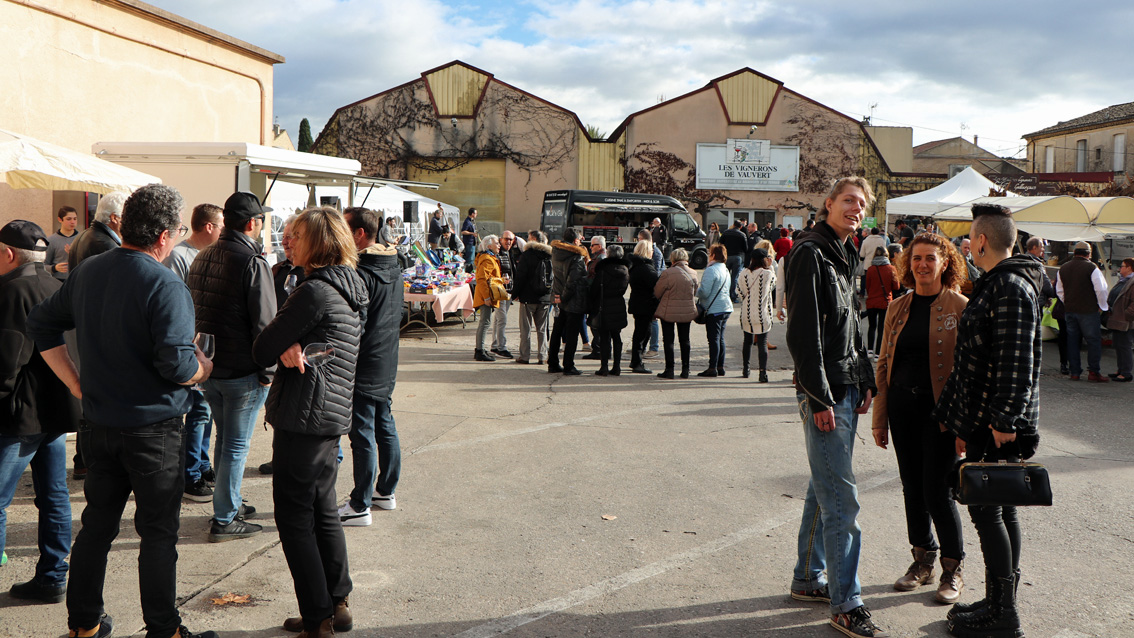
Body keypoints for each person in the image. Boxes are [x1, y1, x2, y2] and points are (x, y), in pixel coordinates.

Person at [27, 184, 217, 638]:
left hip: (101, 425)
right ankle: (163, 628)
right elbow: (177, 364)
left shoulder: (90, 270)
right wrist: (203, 368)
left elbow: (41, 323)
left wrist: (77, 383)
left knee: (96, 528)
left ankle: (84, 625)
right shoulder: (165, 282)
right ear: (165, 236)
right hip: (152, 430)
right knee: (156, 534)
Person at [252, 206, 366, 638]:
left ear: (317, 242)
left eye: (295, 235)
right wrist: (295, 339)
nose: (287, 240)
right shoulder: (349, 285)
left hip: (305, 415)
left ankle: (318, 617)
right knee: (322, 510)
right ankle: (336, 604)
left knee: (295, 517)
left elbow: (262, 349)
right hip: (328, 413)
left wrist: (287, 340)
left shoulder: (314, 291)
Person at [931, 203, 1042, 638]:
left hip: (997, 422)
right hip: (989, 418)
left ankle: (1003, 615)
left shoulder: (1010, 286)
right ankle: (1001, 601)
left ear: (980, 241)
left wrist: (1004, 421)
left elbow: (1015, 362)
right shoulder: (1001, 283)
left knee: (988, 512)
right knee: (1000, 508)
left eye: (969, 238)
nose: (967, 245)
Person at [785, 176, 884, 638]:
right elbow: (804, 334)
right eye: (848, 201)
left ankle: (808, 578)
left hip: (845, 384)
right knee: (842, 499)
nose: (856, 209)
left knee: (821, 488)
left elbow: (853, 325)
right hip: (824, 391)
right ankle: (846, 603)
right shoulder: (810, 252)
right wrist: (820, 396)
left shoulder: (846, 252)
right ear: (828, 204)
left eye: (862, 204)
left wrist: (864, 376)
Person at [872, 233, 969, 605]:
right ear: (907, 263)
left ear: (946, 263)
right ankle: (922, 560)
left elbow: (969, 373)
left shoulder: (960, 306)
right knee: (911, 487)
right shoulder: (898, 306)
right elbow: (883, 364)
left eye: (930, 258)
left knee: (937, 491)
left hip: (941, 414)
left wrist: (963, 425)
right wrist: (880, 419)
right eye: (916, 259)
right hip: (902, 409)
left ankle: (952, 566)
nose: (923, 265)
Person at [187, 192, 277, 542]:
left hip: (211, 366)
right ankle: (225, 516)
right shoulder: (252, 260)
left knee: (226, 440)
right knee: (234, 445)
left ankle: (230, 502)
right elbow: (265, 323)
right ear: (252, 223)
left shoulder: (204, 254)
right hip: (240, 368)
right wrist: (268, 372)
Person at [0, 220, 81, 604]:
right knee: (54, 495)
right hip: (55, 412)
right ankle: (52, 576)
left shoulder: (13, 290)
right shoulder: (54, 285)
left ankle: (52, 577)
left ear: (9, 254)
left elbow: (7, 363)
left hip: (21, 417)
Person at [337, 207, 403, 526]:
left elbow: (355, 324)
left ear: (360, 234)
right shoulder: (392, 264)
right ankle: (385, 492)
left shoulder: (362, 271)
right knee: (383, 424)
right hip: (386, 358)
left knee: (363, 432)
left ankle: (360, 503)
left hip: (366, 360)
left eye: (344, 228)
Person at [65, 190, 128, 481]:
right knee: (95, 395)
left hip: (84, 323)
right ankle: (87, 459)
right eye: (126, 215)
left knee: (90, 393)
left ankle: (83, 458)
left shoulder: (86, 236)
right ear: (115, 218)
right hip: (96, 326)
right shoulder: (103, 243)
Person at [162, 203, 223, 502]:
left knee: (206, 413)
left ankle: (202, 463)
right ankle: (191, 474)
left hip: (207, 348)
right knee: (198, 413)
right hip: (191, 348)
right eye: (221, 225)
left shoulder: (210, 254)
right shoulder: (179, 256)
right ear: (209, 226)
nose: (224, 230)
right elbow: (175, 307)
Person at [1058, 241, 1110, 382]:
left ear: (1074, 253)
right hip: (1088, 310)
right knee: (1093, 341)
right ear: (1089, 253)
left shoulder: (1063, 268)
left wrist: (1068, 302)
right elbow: (1101, 289)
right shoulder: (1091, 268)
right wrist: (1102, 305)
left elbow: (1060, 291)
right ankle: (1093, 372)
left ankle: (1074, 372)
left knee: (1073, 341)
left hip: (1070, 310)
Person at [547, 229, 589, 375]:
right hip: (572, 300)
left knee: (557, 331)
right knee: (571, 334)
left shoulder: (556, 252)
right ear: (575, 240)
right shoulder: (576, 257)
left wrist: (559, 297)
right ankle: (568, 365)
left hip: (558, 297)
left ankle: (552, 363)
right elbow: (572, 282)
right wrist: (564, 297)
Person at [653, 248, 698, 379]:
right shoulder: (693, 273)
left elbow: (657, 292)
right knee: (685, 340)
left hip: (668, 310)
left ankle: (669, 369)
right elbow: (694, 292)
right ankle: (685, 369)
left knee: (668, 340)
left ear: (673, 259)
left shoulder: (667, 273)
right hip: (686, 310)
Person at [511, 231, 553, 365]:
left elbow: (520, 276)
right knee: (542, 328)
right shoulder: (550, 255)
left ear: (533, 240)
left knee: (525, 328)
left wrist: (514, 294)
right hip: (545, 297)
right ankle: (542, 355)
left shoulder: (527, 255)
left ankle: (525, 356)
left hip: (528, 297)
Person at [589, 244, 630, 376]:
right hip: (618, 304)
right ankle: (617, 367)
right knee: (616, 336)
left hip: (604, 305)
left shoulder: (603, 270)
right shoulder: (625, 270)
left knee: (604, 338)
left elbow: (594, 289)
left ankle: (604, 367)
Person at [736, 247, 775, 381]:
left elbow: (739, 292)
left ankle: (746, 369)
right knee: (762, 343)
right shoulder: (767, 274)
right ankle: (762, 373)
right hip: (762, 313)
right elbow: (773, 285)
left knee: (747, 341)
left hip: (746, 313)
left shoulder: (743, 273)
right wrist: (771, 267)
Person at [695, 244, 733, 377]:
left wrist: (695, 290)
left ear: (713, 255)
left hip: (714, 308)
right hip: (725, 307)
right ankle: (720, 366)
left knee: (713, 339)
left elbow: (704, 292)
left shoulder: (711, 270)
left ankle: (712, 368)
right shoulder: (725, 269)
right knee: (720, 338)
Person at [67, 191, 127, 273]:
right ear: (114, 218)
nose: (129, 221)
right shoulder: (108, 246)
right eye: (127, 216)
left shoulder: (82, 235)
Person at [627, 240, 659, 374]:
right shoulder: (646, 268)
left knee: (641, 332)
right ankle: (637, 361)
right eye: (651, 249)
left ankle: (636, 360)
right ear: (646, 251)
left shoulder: (636, 265)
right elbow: (656, 285)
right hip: (645, 304)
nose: (653, 252)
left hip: (639, 303)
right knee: (643, 333)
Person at [490, 231, 522, 359]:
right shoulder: (498, 254)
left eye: (511, 240)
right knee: (501, 319)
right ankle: (501, 347)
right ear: (501, 239)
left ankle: (495, 345)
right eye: (506, 239)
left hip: (508, 292)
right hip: (500, 292)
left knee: (498, 320)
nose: (508, 241)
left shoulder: (510, 253)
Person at [864, 247, 900, 355]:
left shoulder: (871, 269)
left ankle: (870, 350)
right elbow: (896, 286)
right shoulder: (891, 268)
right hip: (885, 302)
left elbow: (867, 286)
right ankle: (878, 353)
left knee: (872, 326)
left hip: (871, 301)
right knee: (881, 328)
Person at [472, 235, 502, 361]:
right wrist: (486, 297)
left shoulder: (488, 257)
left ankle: (480, 349)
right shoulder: (487, 259)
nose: (499, 245)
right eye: (497, 243)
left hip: (487, 295)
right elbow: (481, 279)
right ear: (489, 246)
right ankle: (479, 351)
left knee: (485, 322)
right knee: (485, 323)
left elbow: (489, 277)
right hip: (486, 296)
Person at [636, 228, 664, 357]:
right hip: (647, 294)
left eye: (638, 239)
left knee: (653, 320)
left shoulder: (655, 252)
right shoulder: (650, 252)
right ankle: (642, 346)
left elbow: (656, 273)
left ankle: (653, 348)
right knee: (646, 322)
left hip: (653, 293)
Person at [1106, 258, 1134, 382]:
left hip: (1125, 320)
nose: (1119, 269)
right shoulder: (1123, 280)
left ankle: (1126, 373)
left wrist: (1127, 314)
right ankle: (1120, 370)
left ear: (1129, 268)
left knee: (1125, 345)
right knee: (1118, 345)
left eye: (1122, 266)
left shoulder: (1132, 282)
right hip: (1117, 318)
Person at [44, 206, 79, 281]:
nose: (73, 222)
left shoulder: (82, 238)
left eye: (75, 219)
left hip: (78, 279)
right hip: (57, 280)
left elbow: (89, 261)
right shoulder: (51, 240)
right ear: (60, 219)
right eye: (69, 219)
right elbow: (42, 266)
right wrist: (54, 268)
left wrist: (74, 254)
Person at [719, 221, 748, 302]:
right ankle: (733, 296)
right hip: (737, 257)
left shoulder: (726, 232)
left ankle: (723, 294)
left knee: (725, 276)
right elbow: (746, 248)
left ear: (733, 225)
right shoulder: (742, 235)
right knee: (734, 277)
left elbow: (720, 244)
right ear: (741, 227)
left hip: (727, 256)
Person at [461, 208, 479, 273]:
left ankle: (470, 271)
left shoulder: (471, 221)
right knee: (470, 259)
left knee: (472, 259)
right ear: (472, 214)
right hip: (469, 243)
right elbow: (463, 231)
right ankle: (468, 272)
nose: (476, 215)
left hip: (472, 242)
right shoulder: (467, 222)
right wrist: (472, 233)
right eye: (475, 213)